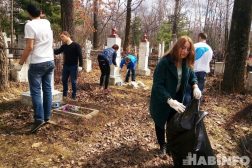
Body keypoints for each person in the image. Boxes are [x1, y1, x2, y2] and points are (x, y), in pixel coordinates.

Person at [149, 36, 202, 156]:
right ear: (177, 47)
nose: (185, 51)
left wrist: (195, 86)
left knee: (172, 122)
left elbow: (192, 75)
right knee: (160, 122)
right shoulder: (165, 63)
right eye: (183, 48)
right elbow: (158, 85)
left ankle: (171, 145)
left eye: (188, 49)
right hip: (162, 99)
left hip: (177, 99)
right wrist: (168, 100)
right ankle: (162, 145)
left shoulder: (185, 62)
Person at [14, 4, 55, 133]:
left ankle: (39, 119)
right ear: (41, 13)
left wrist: (20, 63)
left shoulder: (29, 25)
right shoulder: (46, 22)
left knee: (36, 92)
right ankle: (46, 116)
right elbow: (41, 20)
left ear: (28, 13)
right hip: (50, 61)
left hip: (37, 62)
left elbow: (29, 47)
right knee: (47, 89)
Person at [184, 32, 213, 105]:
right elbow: (209, 60)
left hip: (192, 70)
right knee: (199, 91)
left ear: (200, 37)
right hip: (203, 72)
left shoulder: (194, 46)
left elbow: (188, 57)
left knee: (188, 90)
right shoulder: (210, 49)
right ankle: (196, 108)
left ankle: (186, 107)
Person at [54, 31, 83, 100]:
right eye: (61, 37)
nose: (62, 39)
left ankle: (74, 95)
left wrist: (80, 66)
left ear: (67, 36)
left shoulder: (76, 45)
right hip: (66, 66)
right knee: (64, 80)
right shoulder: (64, 46)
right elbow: (57, 51)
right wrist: (49, 49)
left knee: (73, 81)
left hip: (74, 66)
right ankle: (64, 94)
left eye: (62, 37)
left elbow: (80, 56)